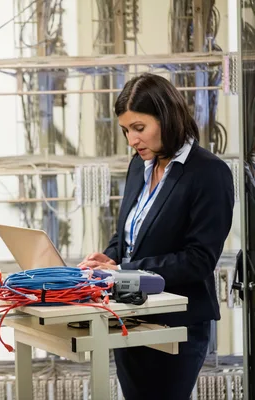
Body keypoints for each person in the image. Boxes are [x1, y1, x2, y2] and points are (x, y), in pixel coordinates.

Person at [78, 73, 234, 400]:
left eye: (139, 128)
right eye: (125, 131)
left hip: (177, 323)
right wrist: (110, 258)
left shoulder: (208, 173)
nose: (132, 140)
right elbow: (128, 235)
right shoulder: (140, 165)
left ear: (167, 117)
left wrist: (125, 270)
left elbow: (199, 260)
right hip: (130, 315)